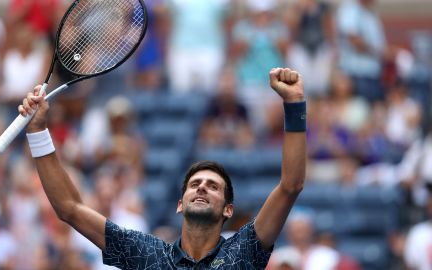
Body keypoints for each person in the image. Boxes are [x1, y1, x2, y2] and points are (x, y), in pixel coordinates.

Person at [18, 68, 306, 269]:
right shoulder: (147, 254)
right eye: (194, 184)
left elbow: (290, 185)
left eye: (213, 186)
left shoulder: (244, 252)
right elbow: (69, 208)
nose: (202, 187)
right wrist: (38, 130)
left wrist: (294, 104)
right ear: (180, 205)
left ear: (227, 210)